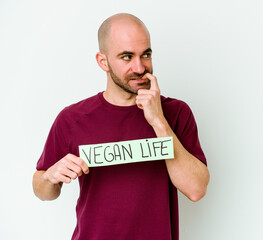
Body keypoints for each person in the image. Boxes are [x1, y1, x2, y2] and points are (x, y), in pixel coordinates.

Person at [32, 13, 209, 240]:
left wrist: (158, 121)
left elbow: (196, 190)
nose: (139, 67)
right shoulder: (72, 119)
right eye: (127, 57)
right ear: (102, 61)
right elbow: (42, 190)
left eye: (146, 54)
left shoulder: (175, 113)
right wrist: (50, 177)